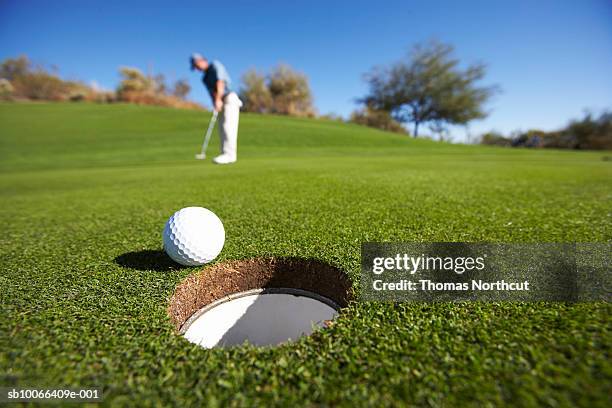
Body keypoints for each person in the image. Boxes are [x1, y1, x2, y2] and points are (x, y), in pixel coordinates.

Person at [190, 53, 242, 164]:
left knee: (229, 127)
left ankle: (230, 155)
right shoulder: (204, 79)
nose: (197, 68)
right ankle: (225, 153)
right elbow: (211, 92)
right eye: (195, 67)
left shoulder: (215, 65)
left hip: (229, 98)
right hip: (220, 101)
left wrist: (218, 99)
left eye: (196, 65)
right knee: (222, 128)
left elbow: (220, 82)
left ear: (202, 60)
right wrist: (215, 102)